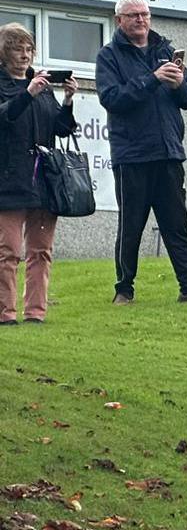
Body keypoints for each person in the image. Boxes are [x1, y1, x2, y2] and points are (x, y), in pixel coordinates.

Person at [96, 0, 187, 306]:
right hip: (133, 154)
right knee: (131, 227)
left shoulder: (165, 50)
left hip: (168, 152)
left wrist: (179, 82)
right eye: (133, 15)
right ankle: (124, 290)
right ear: (119, 21)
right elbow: (112, 99)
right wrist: (151, 80)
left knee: (177, 226)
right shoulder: (109, 56)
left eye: (145, 14)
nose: (141, 20)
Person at [0, 23, 76, 324]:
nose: (25, 55)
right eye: (18, 48)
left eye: (29, 49)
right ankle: (5, 313)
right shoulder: (10, 85)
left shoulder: (42, 88)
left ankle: (35, 313)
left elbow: (61, 128)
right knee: (8, 251)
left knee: (41, 250)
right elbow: (5, 116)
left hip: (44, 179)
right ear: (5, 52)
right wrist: (28, 94)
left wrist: (68, 101)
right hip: (9, 178)